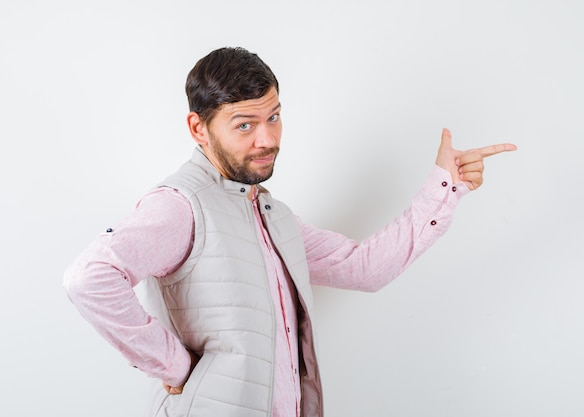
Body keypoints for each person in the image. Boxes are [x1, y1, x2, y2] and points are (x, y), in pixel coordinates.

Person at [63, 46, 516, 417]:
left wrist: (445, 186)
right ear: (198, 128)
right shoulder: (180, 205)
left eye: (274, 117)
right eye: (245, 125)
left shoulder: (270, 214)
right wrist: (177, 368)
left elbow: (365, 268)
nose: (267, 139)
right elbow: (90, 278)